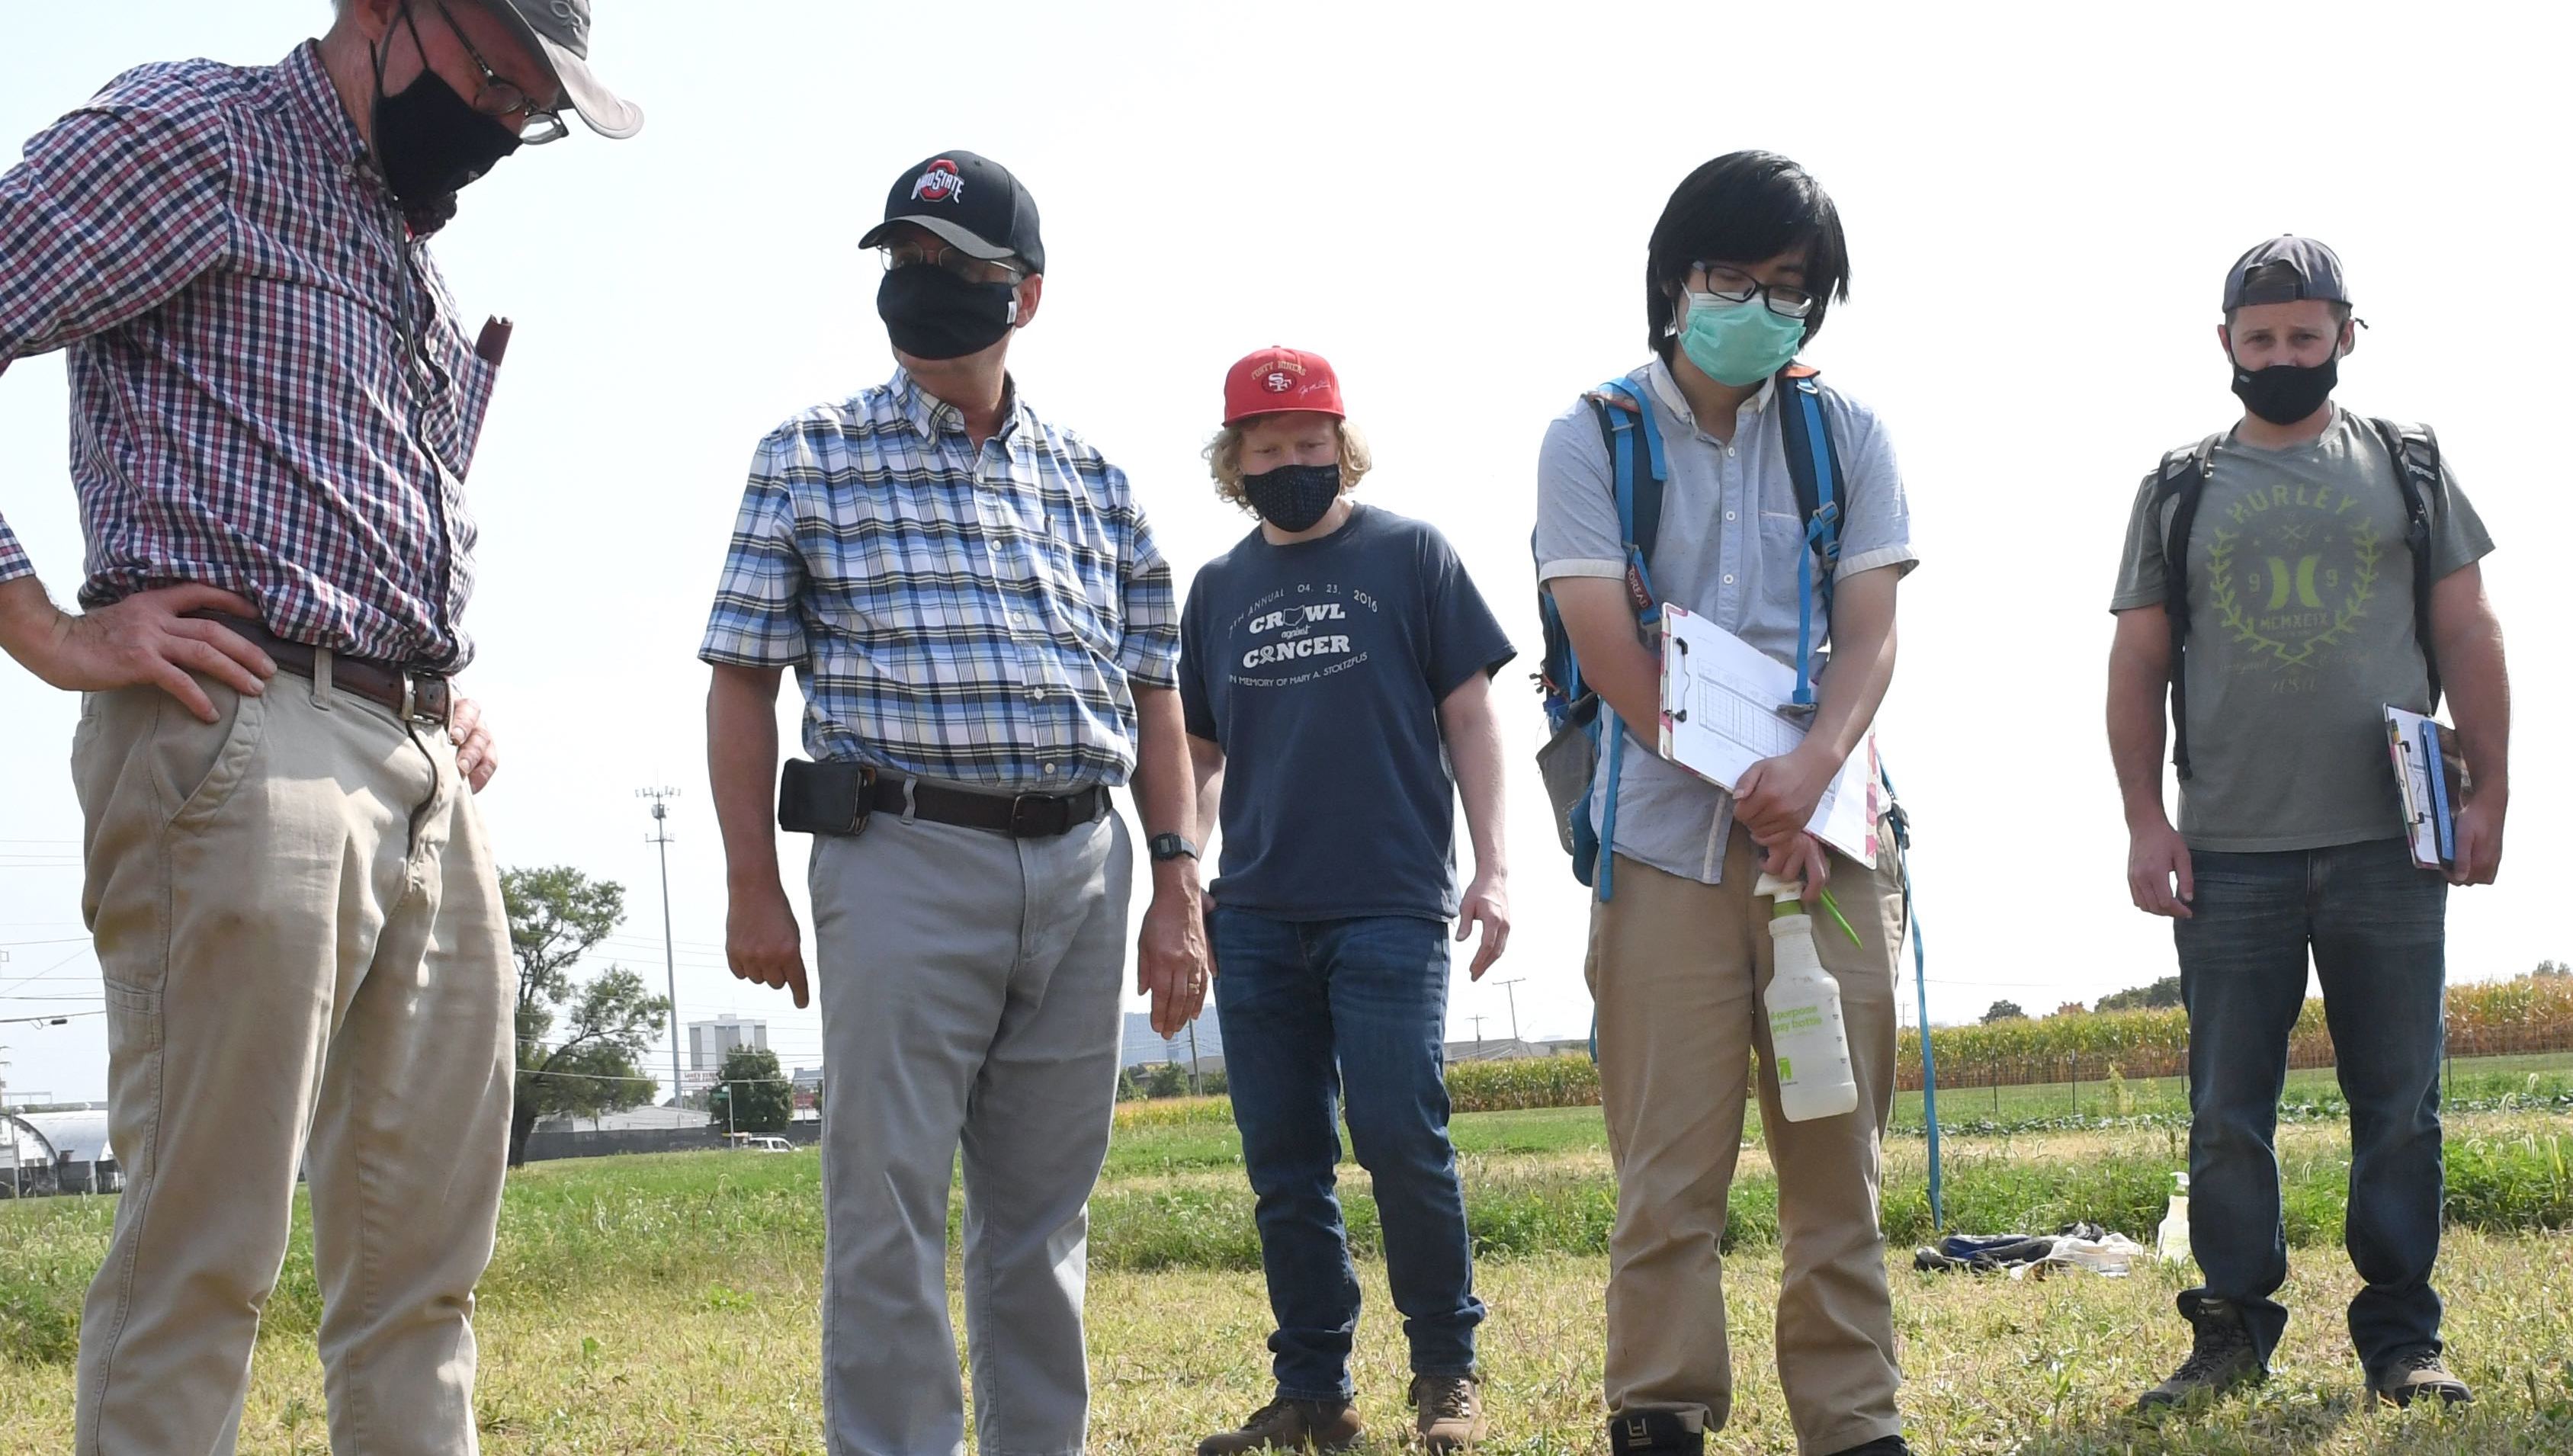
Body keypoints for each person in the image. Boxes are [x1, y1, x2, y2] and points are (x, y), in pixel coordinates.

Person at [0, 2, 640, 1451]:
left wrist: (430, 678)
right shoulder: (203, 139)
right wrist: (44, 628)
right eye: (492, 78)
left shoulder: (398, 250)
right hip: (241, 737)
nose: (497, 126)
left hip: (418, 763)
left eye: (528, 111)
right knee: (201, 1259)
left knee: (423, 1281)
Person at [700, 149, 1212, 1456]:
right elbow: (743, 681)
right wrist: (752, 881)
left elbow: (1157, 699)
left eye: (953, 268)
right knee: (886, 1209)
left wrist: (1176, 885)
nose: (918, 286)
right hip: (901, 851)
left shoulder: (1095, 483)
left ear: (1023, 297)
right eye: (902, 262)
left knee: (1042, 1223)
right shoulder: (809, 457)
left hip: (1083, 867)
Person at [1534, 151, 1917, 1456]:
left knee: (1836, 1163)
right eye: (1733, 278)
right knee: (1668, 1170)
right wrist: (1755, 795)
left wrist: (1809, 775)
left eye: (1791, 286)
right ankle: (1661, 1407)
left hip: (1835, 845)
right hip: (1663, 849)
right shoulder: (1592, 437)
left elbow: (1871, 634)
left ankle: (1855, 1420)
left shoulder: (1846, 434)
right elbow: (1607, 649)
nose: (1759, 303)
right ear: (1674, 282)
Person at [2106, 236, 2507, 1413]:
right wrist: (2145, 819)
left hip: (2393, 844)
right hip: (2229, 852)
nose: (2283, 354)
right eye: (2261, 336)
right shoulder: (2180, 486)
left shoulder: (2408, 465)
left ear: (2346, 334)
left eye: (2305, 334)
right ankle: (2231, 1329)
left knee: (2401, 1102)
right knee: (2228, 1109)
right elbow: (2137, 662)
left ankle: (2402, 1338)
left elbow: (2471, 634)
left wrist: (2491, 793)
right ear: (2225, 343)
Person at [1179, 348, 1516, 1454]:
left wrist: (1495, 864)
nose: (1292, 462)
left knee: (1400, 1136)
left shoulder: (1411, 555)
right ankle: (1313, 1389)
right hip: (1260, 914)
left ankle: (1445, 1375)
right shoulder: (1218, 589)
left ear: (1343, 444)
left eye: (1310, 443)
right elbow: (1205, 752)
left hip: (1389, 902)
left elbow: (1470, 716)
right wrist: (1184, 875)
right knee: (1285, 1162)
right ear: (1236, 461)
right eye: (1268, 448)